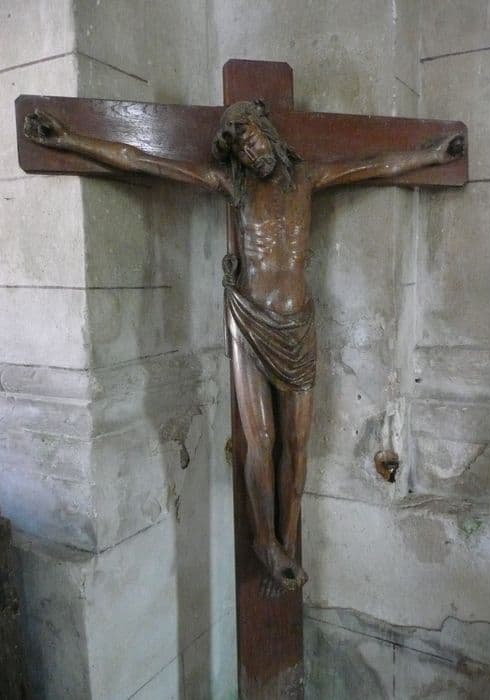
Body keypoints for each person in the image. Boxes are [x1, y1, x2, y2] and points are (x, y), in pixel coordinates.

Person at [24, 103, 464, 595]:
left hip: (297, 328)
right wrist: (70, 140)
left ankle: (289, 540)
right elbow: (143, 160)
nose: (253, 153)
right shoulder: (236, 186)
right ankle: (265, 542)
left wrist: (432, 155)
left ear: (268, 133)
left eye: (253, 139)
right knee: (262, 440)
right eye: (243, 150)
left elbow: (376, 165)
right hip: (250, 323)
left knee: (298, 442)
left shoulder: (307, 178)